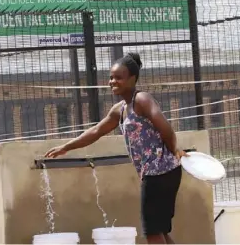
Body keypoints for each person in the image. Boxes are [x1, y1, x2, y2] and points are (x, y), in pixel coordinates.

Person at [45, 52, 188, 244]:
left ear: (132, 79)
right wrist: (66, 147)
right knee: (159, 228)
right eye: (111, 77)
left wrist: (175, 150)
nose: (112, 81)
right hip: (160, 172)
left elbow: (166, 128)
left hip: (159, 172)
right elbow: (96, 131)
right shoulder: (120, 109)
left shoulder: (142, 100)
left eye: (118, 77)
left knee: (152, 232)